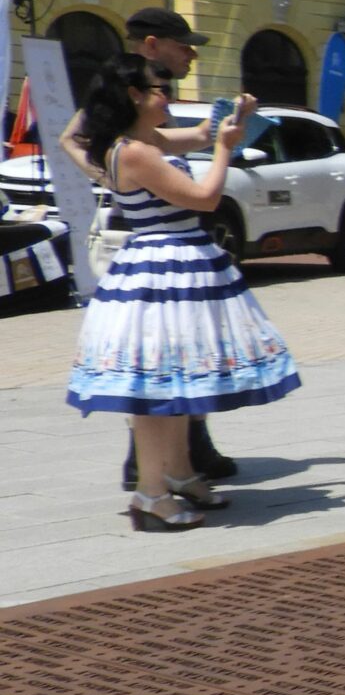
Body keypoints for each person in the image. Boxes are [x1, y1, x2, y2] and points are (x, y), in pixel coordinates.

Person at [64, 60, 298, 531]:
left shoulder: (144, 141)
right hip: (164, 270)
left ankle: (178, 472)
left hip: (175, 268)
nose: (168, 95)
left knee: (178, 381)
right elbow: (205, 197)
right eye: (160, 88)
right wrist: (226, 150)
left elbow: (203, 132)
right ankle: (151, 493)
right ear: (133, 94)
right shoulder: (133, 152)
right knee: (157, 388)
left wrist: (236, 118)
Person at [57, 8, 240, 491]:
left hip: (166, 240)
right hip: (149, 245)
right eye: (184, 46)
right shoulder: (121, 85)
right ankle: (153, 474)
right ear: (152, 45)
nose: (191, 55)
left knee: (177, 358)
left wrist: (215, 132)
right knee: (157, 364)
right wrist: (111, 179)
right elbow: (73, 138)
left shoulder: (144, 119)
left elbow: (169, 140)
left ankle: (178, 464)